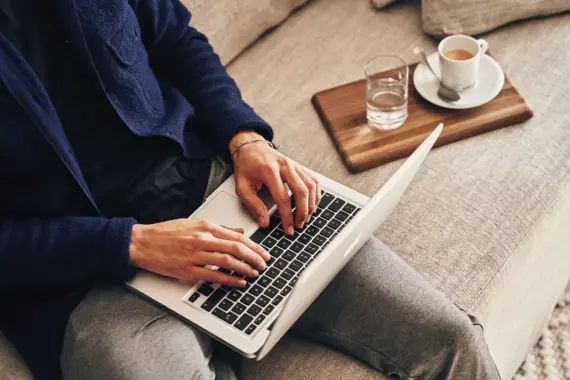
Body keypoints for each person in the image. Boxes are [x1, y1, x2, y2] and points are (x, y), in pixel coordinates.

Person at [0, 0, 502, 379]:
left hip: (218, 196)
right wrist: (132, 243)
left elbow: (177, 40)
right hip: (88, 281)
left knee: (453, 340)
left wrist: (245, 139)